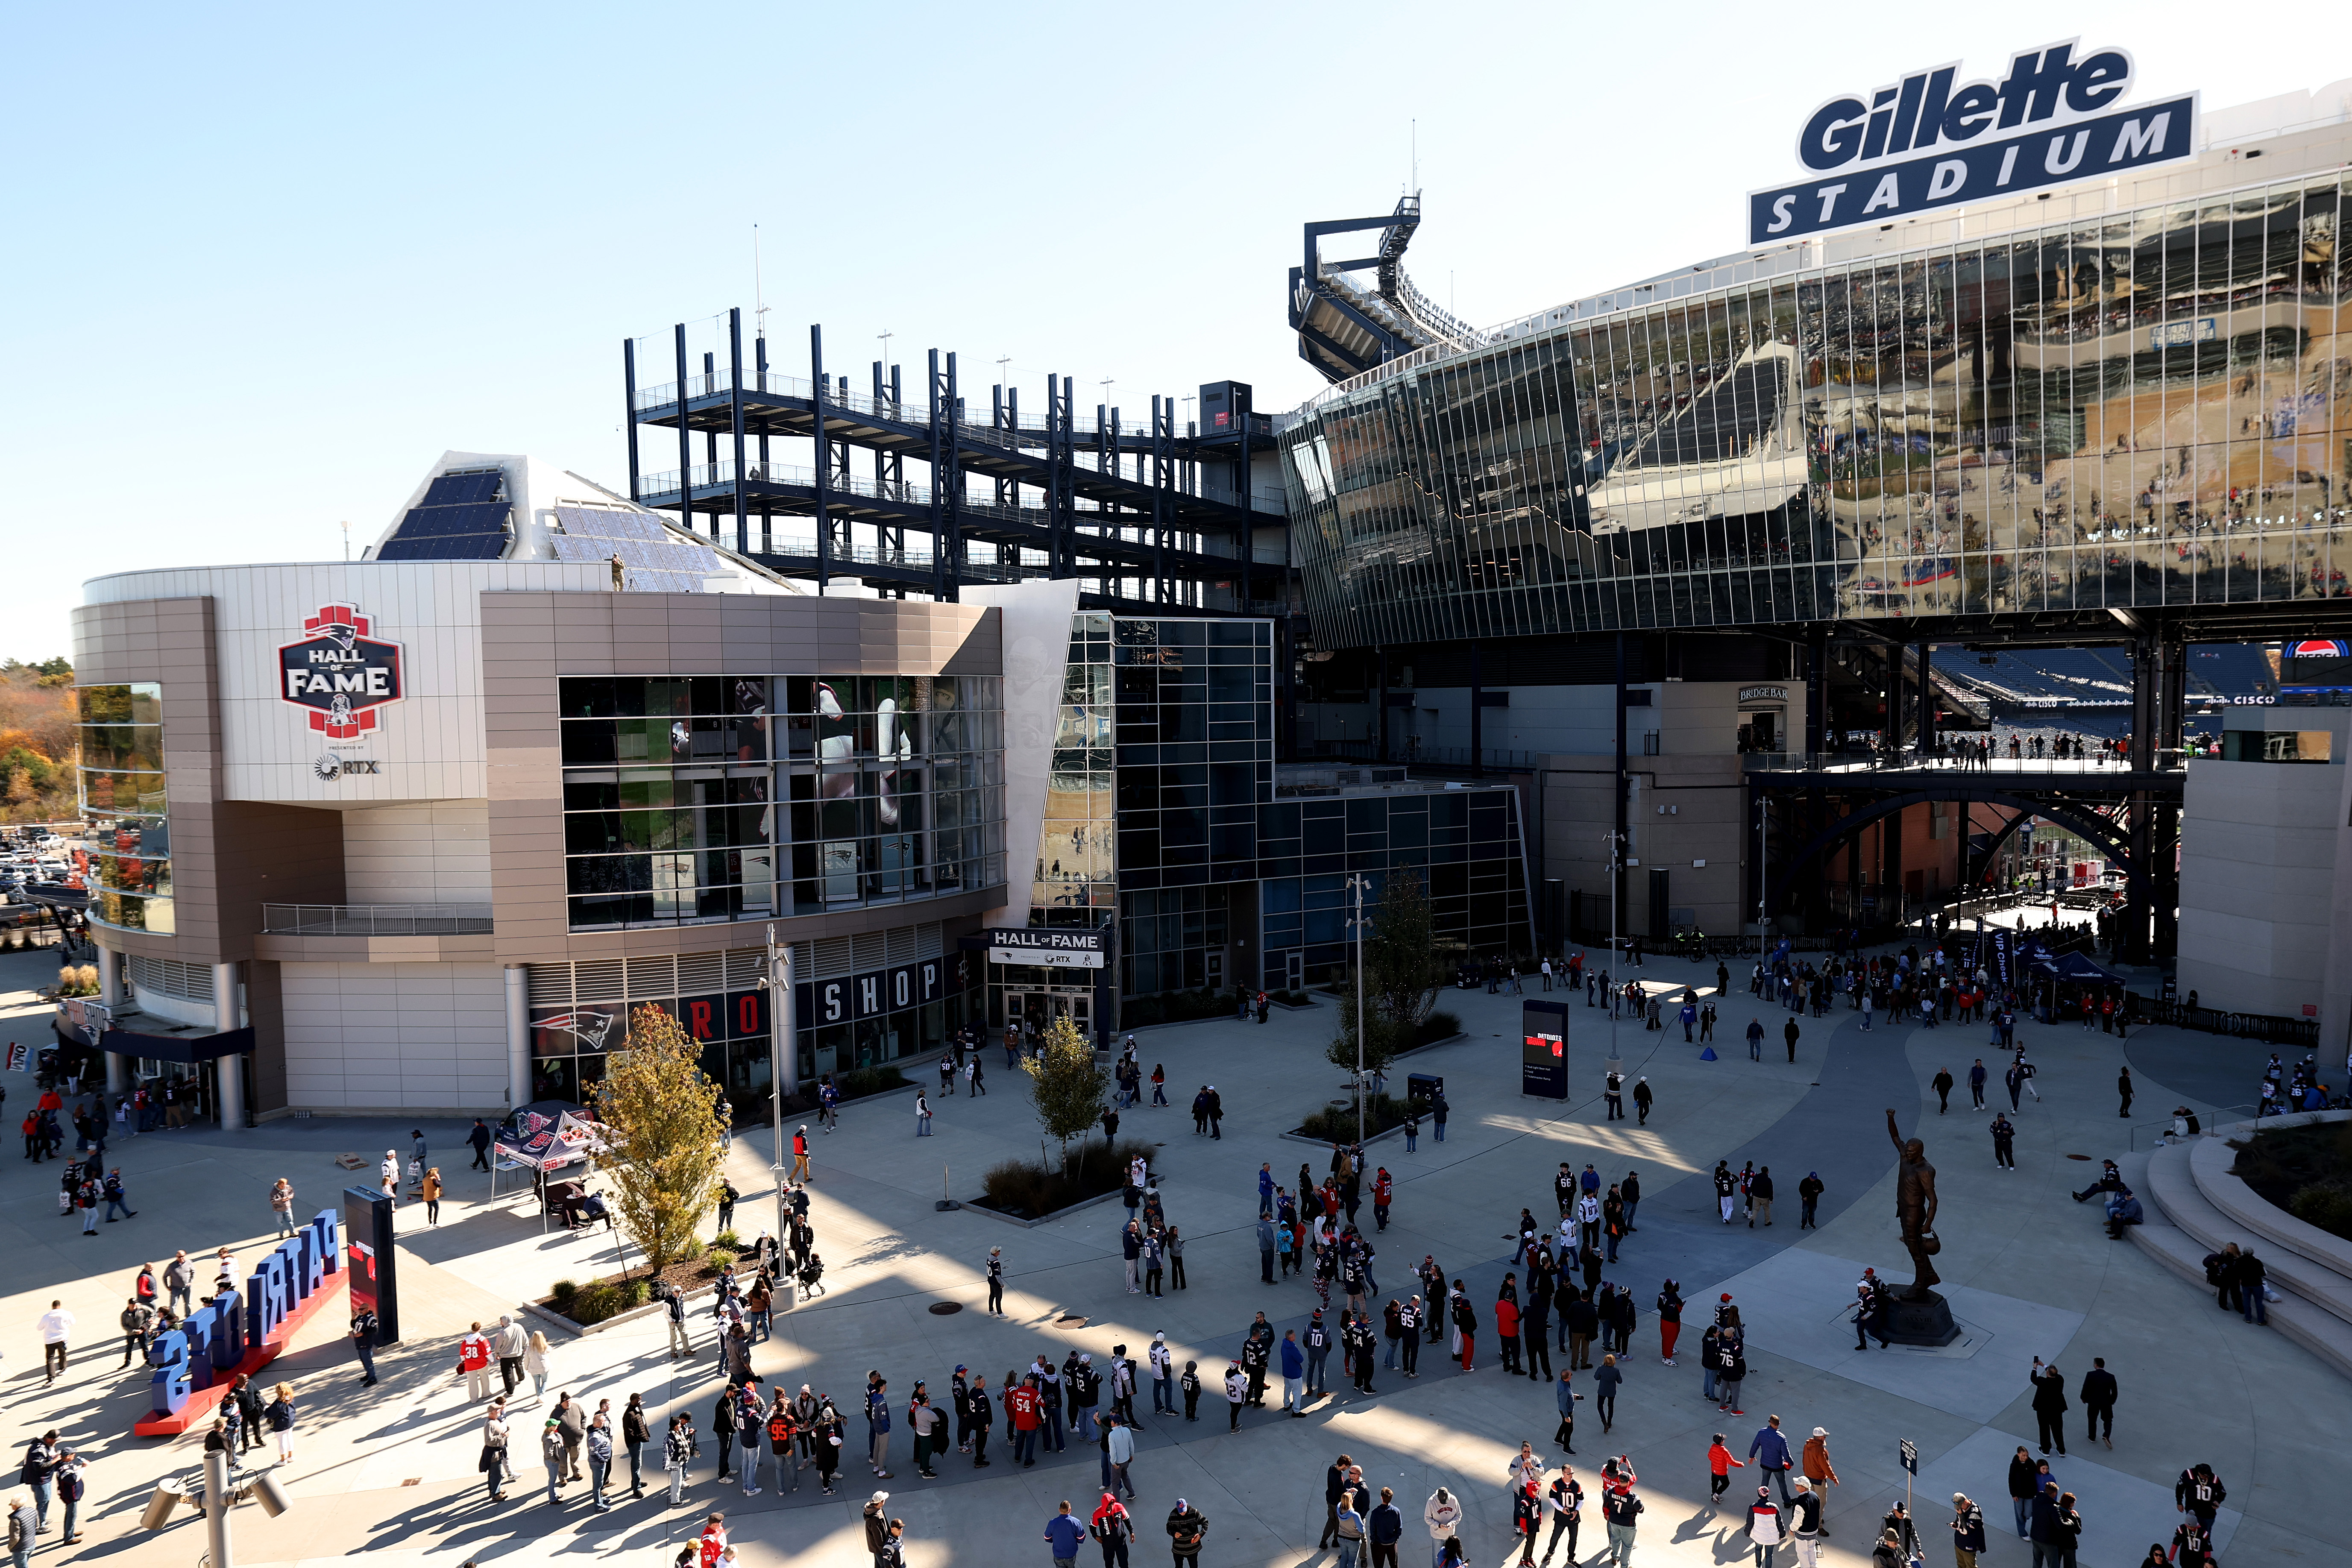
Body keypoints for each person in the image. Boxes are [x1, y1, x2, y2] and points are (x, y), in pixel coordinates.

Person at [1601, 1479, 1642, 1566]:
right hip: (1628, 1524)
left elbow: (1605, 1505)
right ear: (1628, 1483)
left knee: (1616, 1540)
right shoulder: (1633, 1497)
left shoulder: (1610, 1491)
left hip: (1613, 1521)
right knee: (1627, 1546)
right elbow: (1641, 1509)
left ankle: (1615, 1557)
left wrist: (1607, 1515)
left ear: (1619, 1482)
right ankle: (1624, 1566)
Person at [1424, 1487, 1463, 1568]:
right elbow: (1427, 1518)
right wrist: (1438, 1525)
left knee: (1451, 1559)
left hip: (1450, 1536)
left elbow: (1459, 1515)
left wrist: (1452, 1524)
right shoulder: (1431, 1502)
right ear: (1438, 1497)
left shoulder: (1453, 1499)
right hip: (1437, 1536)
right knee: (1437, 1559)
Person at [1046, 1499, 1089, 1568]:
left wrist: (1054, 1541)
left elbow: (1047, 1537)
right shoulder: (1076, 1522)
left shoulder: (1052, 1523)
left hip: (1058, 1554)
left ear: (1059, 1510)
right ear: (1070, 1510)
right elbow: (1081, 1538)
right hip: (1071, 1554)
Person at [1167, 1498, 1208, 1567]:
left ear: (1187, 1505)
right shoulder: (1173, 1515)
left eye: (1184, 1510)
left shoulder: (1194, 1513)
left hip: (1192, 1548)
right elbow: (1169, 1528)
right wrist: (1174, 1533)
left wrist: (1201, 1534)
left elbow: (1205, 1522)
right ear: (1177, 1508)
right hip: (1178, 1549)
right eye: (1181, 1511)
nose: (1183, 1513)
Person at [1950, 1492, 1985, 1568]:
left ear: (1966, 1502)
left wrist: (1961, 1515)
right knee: (1961, 1565)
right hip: (1959, 1543)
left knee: (1970, 1566)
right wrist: (1955, 1523)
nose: (1960, 1509)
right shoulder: (1962, 1509)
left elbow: (1968, 1529)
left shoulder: (1975, 1513)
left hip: (1969, 1545)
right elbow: (1959, 1520)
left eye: (1960, 1507)